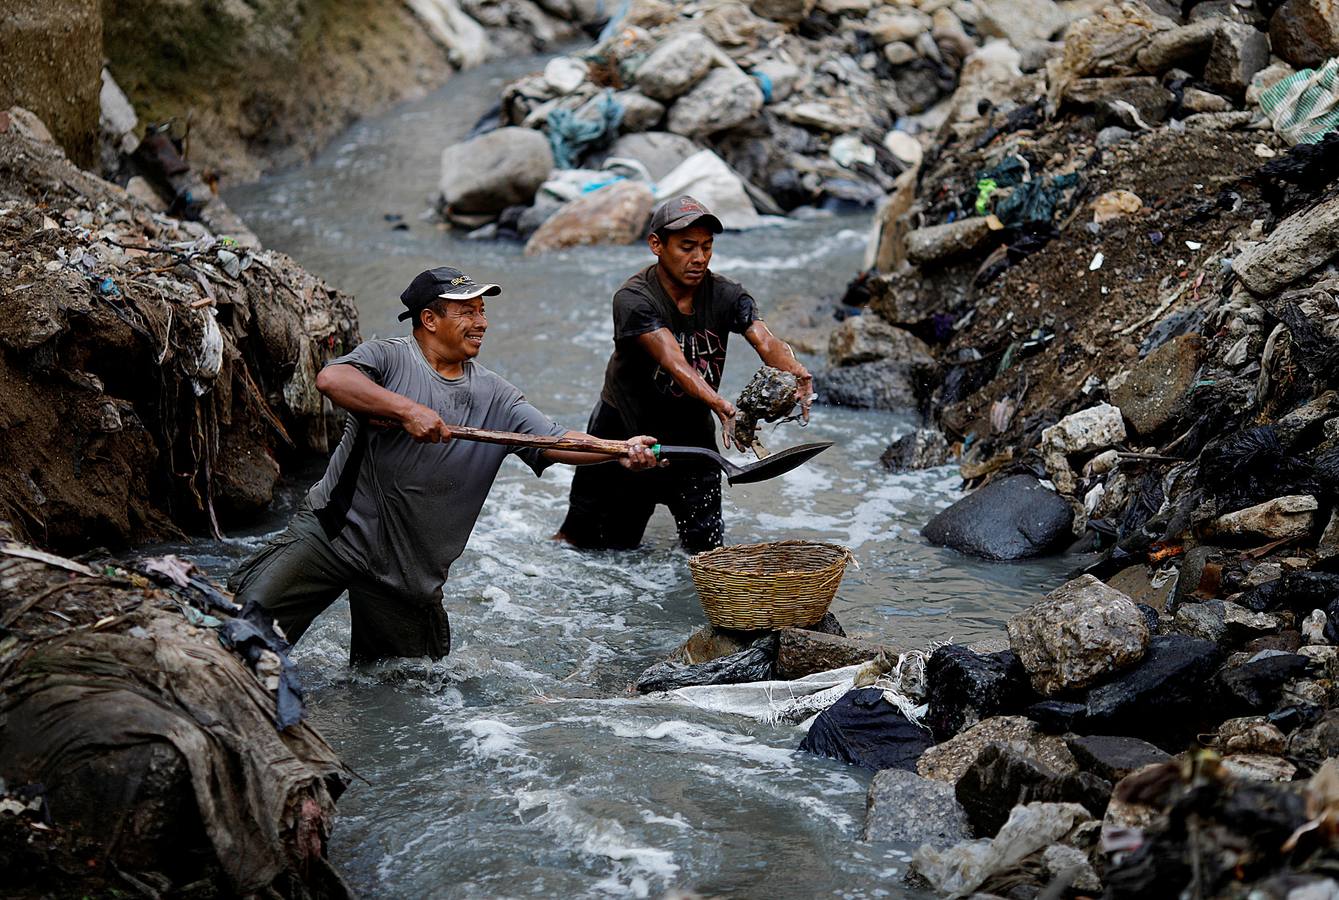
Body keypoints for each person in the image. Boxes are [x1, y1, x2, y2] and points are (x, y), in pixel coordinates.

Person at [227, 266, 659, 664]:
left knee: (401, 689)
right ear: (429, 320)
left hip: (407, 570)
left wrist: (618, 450)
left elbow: (554, 440)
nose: (482, 322)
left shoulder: (496, 395)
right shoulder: (389, 357)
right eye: (468, 311)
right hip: (334, 532)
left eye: (483, 311)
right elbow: (332, 379)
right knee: (237, 636)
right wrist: (406, 411)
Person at [556, 195, 812, 554]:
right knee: (596, 549)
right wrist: (721, 404)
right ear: (657, 245)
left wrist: (795, 370)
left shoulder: (726, 294)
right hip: (624, 437)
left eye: (707, 247)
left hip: (692, 440)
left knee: (706, 554)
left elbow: (764, 338)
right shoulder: (634, 299)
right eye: (687, 246)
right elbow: (674, 362)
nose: (700, 258)